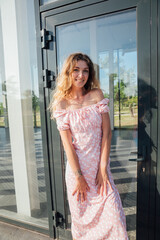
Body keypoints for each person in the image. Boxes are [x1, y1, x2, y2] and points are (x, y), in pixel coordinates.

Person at [49, 53, 128, 240]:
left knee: (115, 218)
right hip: (78, 174)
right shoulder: (62, 103)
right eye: (76, 70)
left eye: (85, 70)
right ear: (68, 72)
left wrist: (102, 168)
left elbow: (107, 133)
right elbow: (67, 144)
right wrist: (79, 177)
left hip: (100, 172)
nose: (81, 75)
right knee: (82, 226)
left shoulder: (97, 95)